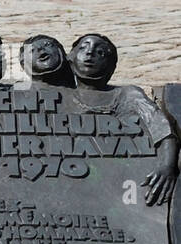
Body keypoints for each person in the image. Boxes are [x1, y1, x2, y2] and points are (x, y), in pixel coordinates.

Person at [67, 33, 177, 206]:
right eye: (83, 48)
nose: (90, 53)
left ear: (111, 65)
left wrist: (168, 166)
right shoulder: (56, 96)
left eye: (100, 52)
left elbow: (162, 129)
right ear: (70, 57)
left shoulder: (128, 95)